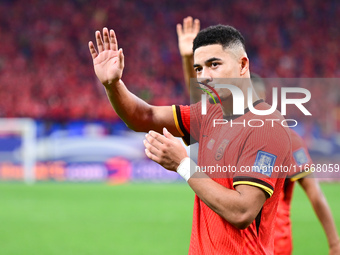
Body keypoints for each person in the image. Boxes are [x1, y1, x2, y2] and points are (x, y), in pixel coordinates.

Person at [89, 24, 291, 254]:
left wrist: (184, 165)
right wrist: (112, 85)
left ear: (242, 64)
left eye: (214, 64)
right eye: (198, 68)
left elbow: (242, 212)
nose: (204, 77)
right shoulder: (207, 114)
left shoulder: (265, 126)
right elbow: (144, 116)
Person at [176, 17, 340, 254]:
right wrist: (187, 60)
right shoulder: (225, 127)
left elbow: (314, 194)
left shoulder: (282, 137)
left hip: (274, 244)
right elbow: (202, 109)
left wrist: (334, 244)